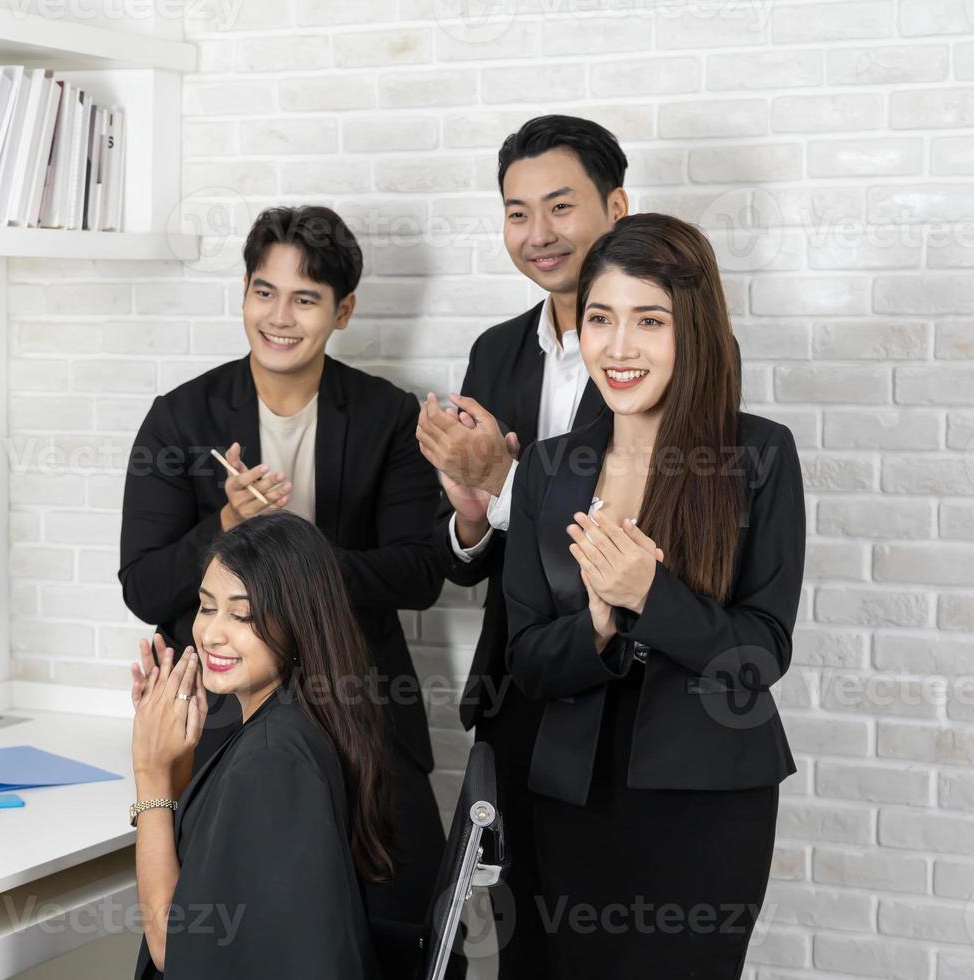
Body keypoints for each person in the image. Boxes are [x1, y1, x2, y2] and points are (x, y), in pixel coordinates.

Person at [119, 205, 446, 955]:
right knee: (213, 939)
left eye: (306, 299)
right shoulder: (181, 418)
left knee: (398, 929)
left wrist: (289, 561)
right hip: (223, 718)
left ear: (343, 311)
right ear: (243, 292)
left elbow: (420, 571)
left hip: (363, 709)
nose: (280, 317)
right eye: (264, 292)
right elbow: (144, 585)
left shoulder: (387, 415)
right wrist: (227, 529)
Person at [503, 213, 805, 978]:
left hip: (708, 801)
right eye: (600, 318)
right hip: (574, 798)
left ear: (692, 330)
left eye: (650, 320)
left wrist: (651, 593)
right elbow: (527, 659)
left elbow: (760, 654)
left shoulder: (759, 455)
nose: (620, 346)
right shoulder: (546, 468)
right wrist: (598, 626)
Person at [414, 113, 624, 972]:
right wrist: (469, 513)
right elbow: (480, 553)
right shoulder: (496, 351)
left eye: (561, 207)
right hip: (517, 694)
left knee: (608, 941)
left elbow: (621, 538)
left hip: (617, 693)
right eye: (515, 211)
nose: (538, 235)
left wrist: (502, 488)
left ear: (615, 207)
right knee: (523, 940)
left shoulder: (661, 347)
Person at [129, 512, 390, 979]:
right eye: (207, 607)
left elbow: (174, 944)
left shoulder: (273, 758)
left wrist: (149, 772)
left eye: (242, 614)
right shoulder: (293, 721)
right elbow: (214, 864)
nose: (211, 633)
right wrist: (177, 756)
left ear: (297, 623)